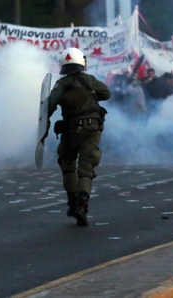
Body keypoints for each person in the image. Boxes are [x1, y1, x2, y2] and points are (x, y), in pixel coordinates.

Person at [44, 47, 111, 226]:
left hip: (70, 132)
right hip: (92, 130)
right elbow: (106, 93)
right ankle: (82, 204)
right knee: (86, 168)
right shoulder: (90, 80)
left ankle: (73, 202)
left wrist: (45, 124)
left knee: (67, 165)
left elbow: (49, 104)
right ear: (81, 62)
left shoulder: (61, 84)